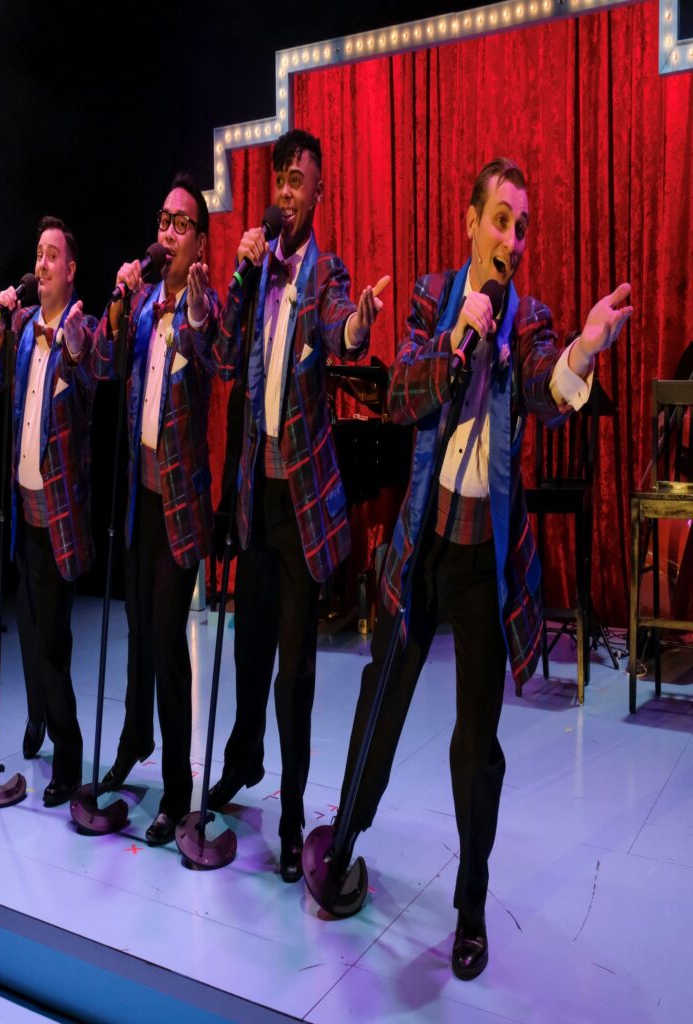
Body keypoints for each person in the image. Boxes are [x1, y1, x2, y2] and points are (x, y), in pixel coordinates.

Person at [326, 158, 632, 978]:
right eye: (501, 219)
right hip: (422, 541)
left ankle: (469, 909)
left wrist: (582, 349)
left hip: (484, 558)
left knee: (475, 744)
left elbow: (542, 388)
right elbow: (403, 395)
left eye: (522, 227)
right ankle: (343, 843)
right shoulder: (435, 297)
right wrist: (459, 334)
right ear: (470, 222)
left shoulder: (529, 319)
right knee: (381, 699)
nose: (512, 238)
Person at [209, 128, 385, 881]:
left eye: (298, 179)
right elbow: (224, 357)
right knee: (248, 651)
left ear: (318, 193)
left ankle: (290, 819)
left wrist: (358, 323)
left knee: (294, 673)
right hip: (256, 496)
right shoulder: (257, 270)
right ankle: (240, 763)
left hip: (302, 505)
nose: (286, 189)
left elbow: (341, 329)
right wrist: (241, 274)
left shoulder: (323, 272)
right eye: (280, 177)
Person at [94, 173, 221, 846]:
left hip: (181, 504)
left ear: (199, 241)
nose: (168, 232)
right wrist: (117, 305)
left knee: (169, 643)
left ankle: (176, 791)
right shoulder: (141, 303)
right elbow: (105, 365)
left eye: (182, 224)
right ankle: (132, 742)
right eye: (164, 221)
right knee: (140, 631)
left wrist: (193, 314)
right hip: (139, 496)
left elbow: (214, 354)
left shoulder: (206, 305)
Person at [0, 216, 97, 806]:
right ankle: (36, 717)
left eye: (53, 256)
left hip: (60, 520)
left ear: (70, 270)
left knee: (52, 642)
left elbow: (94, 370)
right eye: (38, 254)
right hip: (22, 511)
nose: (42, 264)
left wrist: (73, 349)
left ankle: (68, 756)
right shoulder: (23, 325)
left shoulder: (83, 331)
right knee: (27, 630)